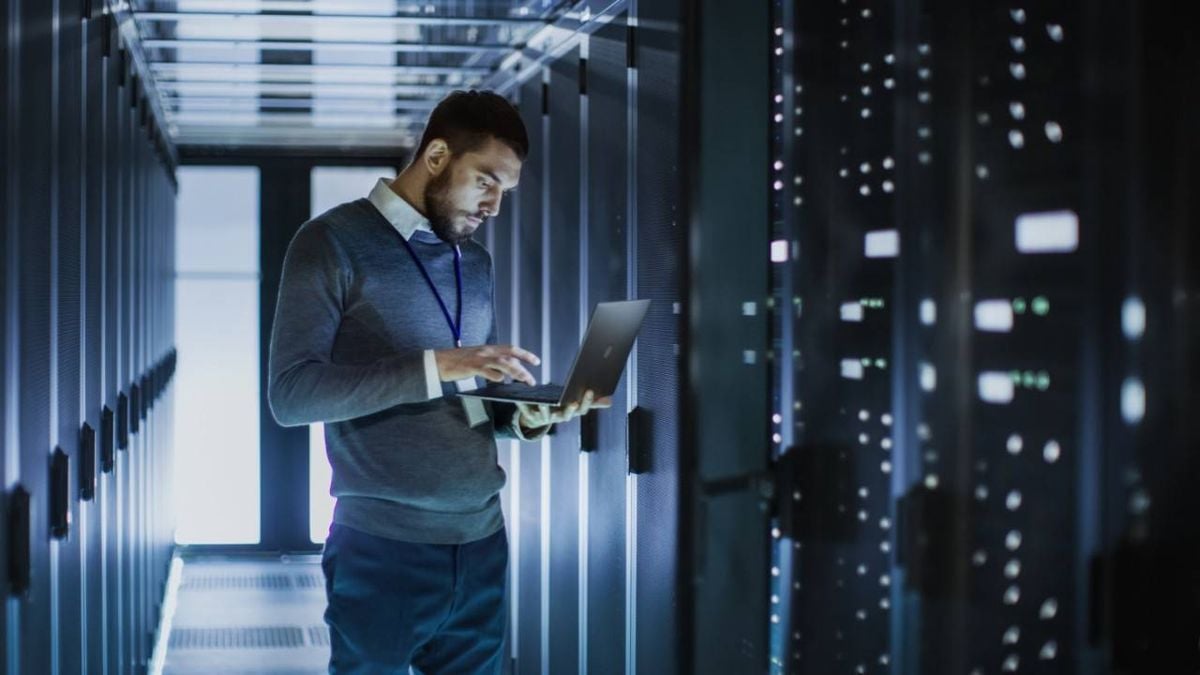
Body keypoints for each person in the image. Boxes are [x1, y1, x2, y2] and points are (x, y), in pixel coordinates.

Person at [266, 90, 608, 674]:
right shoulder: (330, 243)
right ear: (437, 156)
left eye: (505, 190)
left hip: (481, 543)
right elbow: (292, 395)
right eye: (486, 181)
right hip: (381, 549)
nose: (494, 206)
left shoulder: (472, 262)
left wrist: (519, 417)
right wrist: (437, 365)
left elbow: (468, 400)